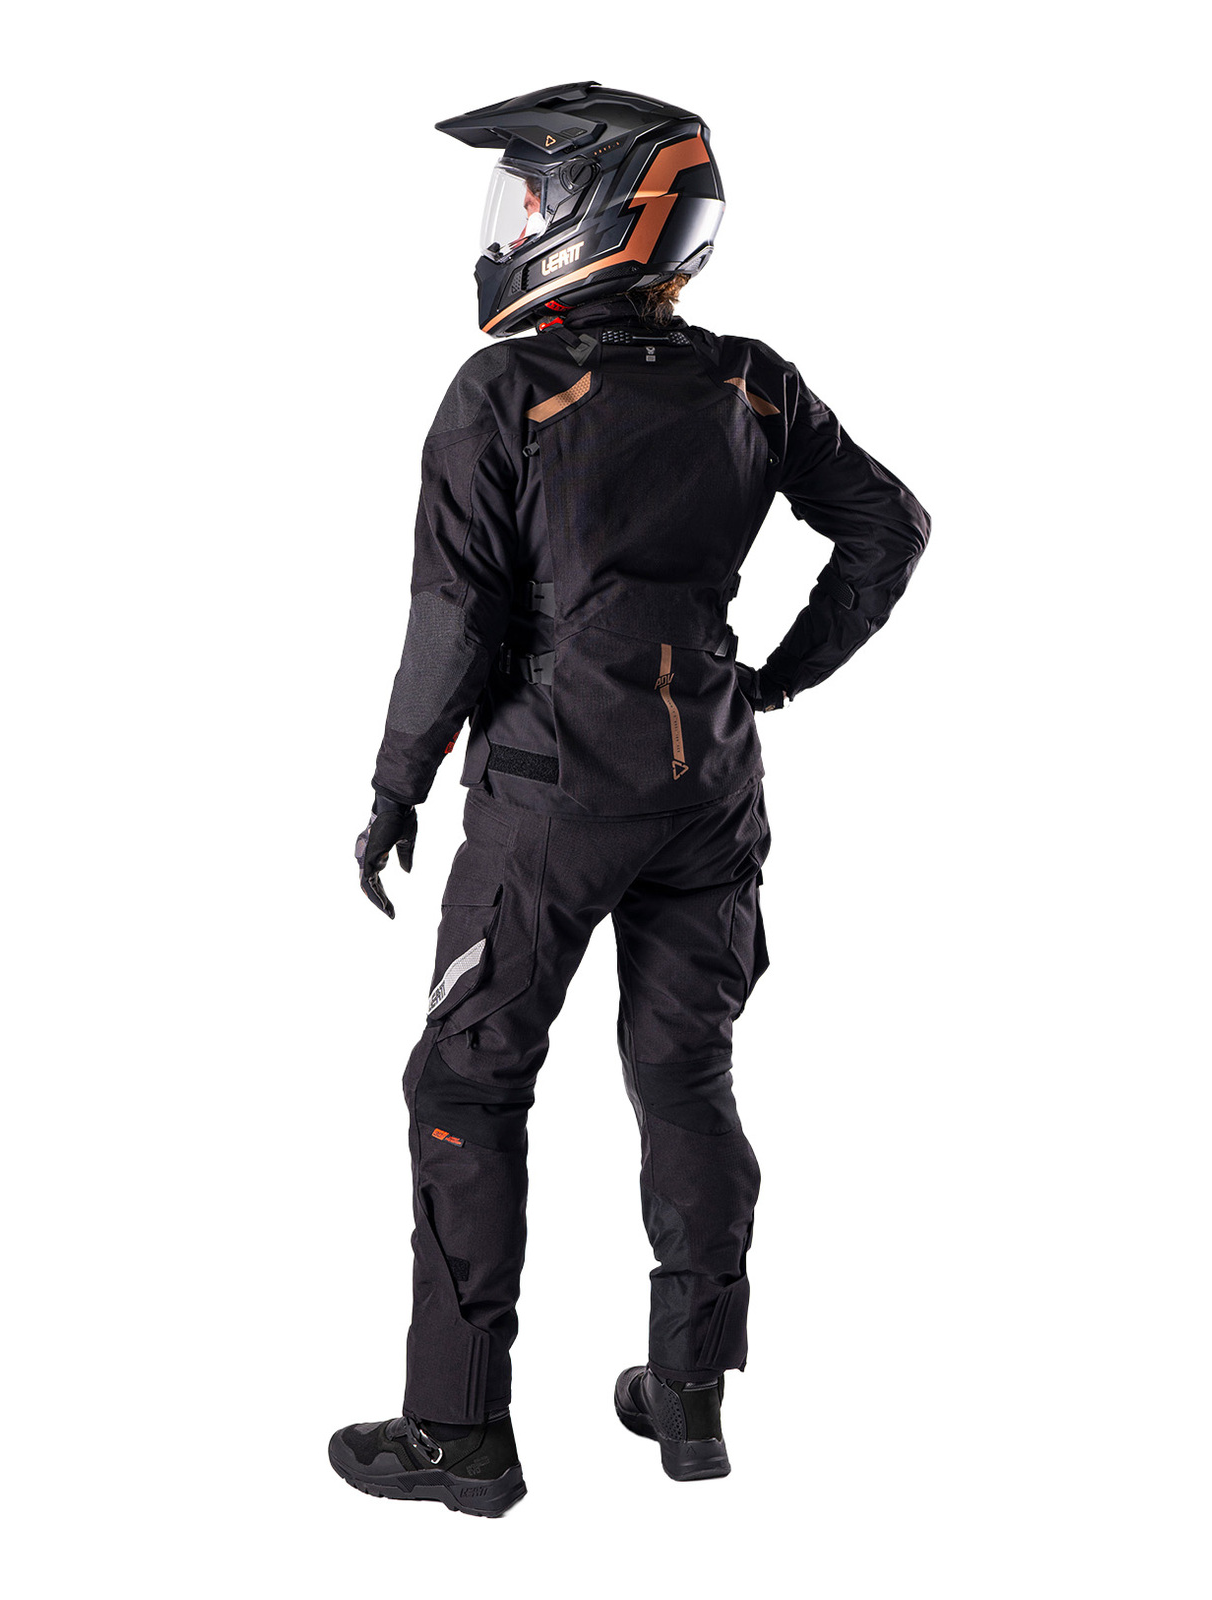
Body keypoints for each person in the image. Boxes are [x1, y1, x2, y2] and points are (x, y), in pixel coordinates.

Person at [329, 82, 930, 1516]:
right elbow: (889, 527)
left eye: (531, 200)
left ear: (602, 217)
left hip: (548, 795)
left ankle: (460, 1432)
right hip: (710, 782)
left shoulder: (506, 392)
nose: (512, 226)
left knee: (467, 1081)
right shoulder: (753, 384)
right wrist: (776, 679)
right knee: (687, 1074)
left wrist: (396, 783)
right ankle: (689, 1398)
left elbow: (452, 620)